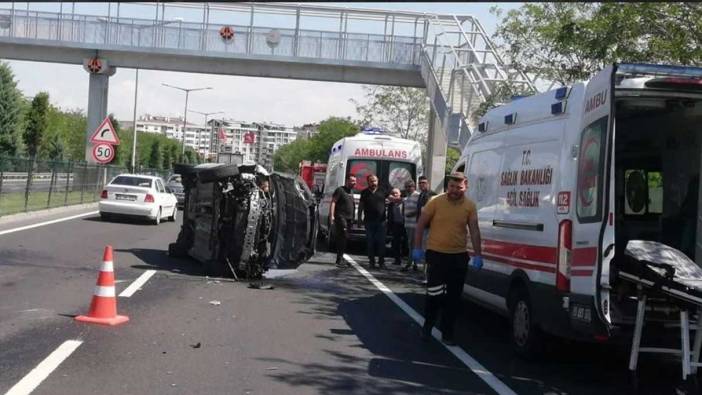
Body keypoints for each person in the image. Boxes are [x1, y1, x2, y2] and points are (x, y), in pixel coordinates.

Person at [413, 172, 483, 345]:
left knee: (453, 298)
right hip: (436, 255)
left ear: (465, 186)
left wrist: (478, 254)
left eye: (458, 187)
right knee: (435, 294)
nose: (454, 190)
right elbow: (421, 224)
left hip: (458, 257)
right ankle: (428, 327)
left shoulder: (470, 206)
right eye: (451, 186)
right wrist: (417, 248)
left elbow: (474, 230)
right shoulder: (435, 201)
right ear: (447, 186)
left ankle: (448, 333)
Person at [358, 174, 387, 269]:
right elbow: (361, 206)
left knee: (381, 242)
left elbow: (391, 198)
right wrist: (359, 219)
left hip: (381, 222)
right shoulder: (364, 192)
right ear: (368, 182)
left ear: (377, 181)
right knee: (370, 243)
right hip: (369, 221)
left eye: (375, 181)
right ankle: (372, 262)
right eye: (371, 181)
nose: (373, 183)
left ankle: (381, 262)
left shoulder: (383, 191)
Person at [330, 174, 356, 268]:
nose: (354, 182)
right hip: (341, 217)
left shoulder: (351, 191)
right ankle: (339, 259)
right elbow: (333, 202)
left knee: (345, 238)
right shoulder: (340, 190)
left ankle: (340, 257)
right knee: (342, 236)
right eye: (352, 181)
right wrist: (332, 216)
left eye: (355, 181)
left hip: (349, 218)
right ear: (347, 181)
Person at [402, 180, 420, 271]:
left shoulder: (417, 196)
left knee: (414, 244)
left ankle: (413, 263)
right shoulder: (407, 197)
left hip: (415, 224)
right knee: (411, 244)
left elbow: (420, 209)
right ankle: (413, 262)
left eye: (410, 186)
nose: (408, 188)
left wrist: (412, 214)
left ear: (414, 187)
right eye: (406, 186)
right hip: (408, 224)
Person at [387, 187, 406, 266]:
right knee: (396, 243)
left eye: (396, 193)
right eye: (393, 193)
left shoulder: (404, 202)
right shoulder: (391, 204)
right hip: (395, 224)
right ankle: (397, 260)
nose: (395, 194)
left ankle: (407, 260)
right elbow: (389, 215)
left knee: (406, 243)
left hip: (404, 224)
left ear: (400, 194)